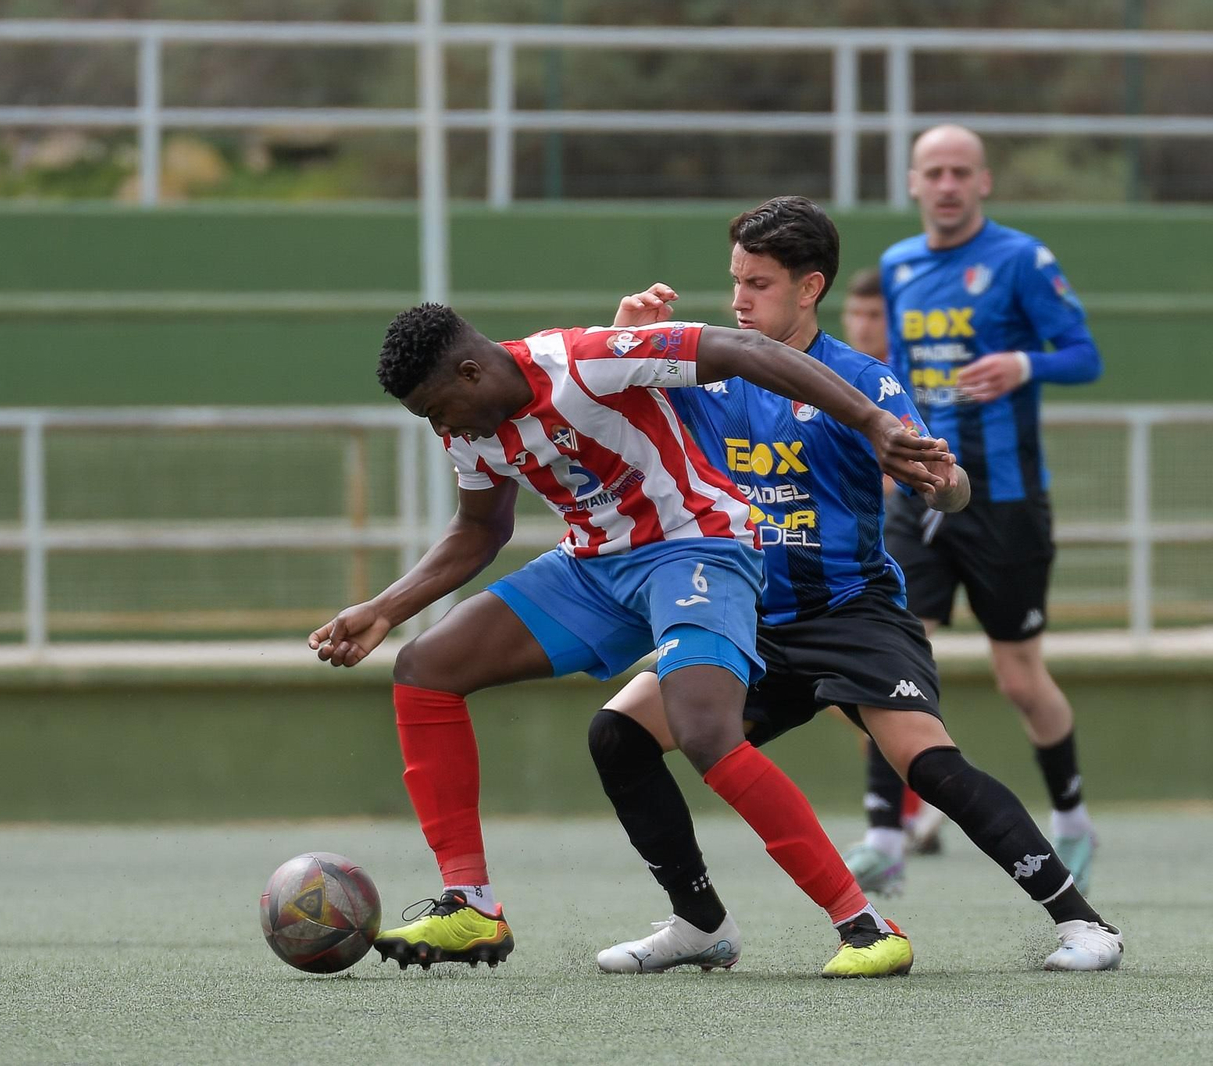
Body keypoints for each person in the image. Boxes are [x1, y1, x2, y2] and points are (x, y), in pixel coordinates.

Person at [310, 301, 952, 977]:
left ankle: (866, 926)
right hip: (593, 567)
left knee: (703, 730)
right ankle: (471, 907)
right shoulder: (469, 429)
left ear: (471, 373)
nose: (442, 428)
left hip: (695, 547)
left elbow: (740, 348)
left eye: (439, 410)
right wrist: (384, 608)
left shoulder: (585, 362)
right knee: (425, 666)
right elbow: (479, 530)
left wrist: (877, 422)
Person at [586, 196, 1122, 977]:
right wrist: (619, 327)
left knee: (931, 767)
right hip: (747, 618)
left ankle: (1085, 924)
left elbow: (946, 483)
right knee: (617, 735)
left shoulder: (861, 383)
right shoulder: (704, 368)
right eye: (735, 279)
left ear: (809, 288)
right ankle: (699, 923)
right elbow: (601, 390)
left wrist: (946, 485)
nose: (738, 299)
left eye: (759, 284)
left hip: (851, 613)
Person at [849, 124, 1105, 897]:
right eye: (935, 172)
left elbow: (1085, 354)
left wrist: (1026, 362)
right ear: (914, 182)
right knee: (888, 659)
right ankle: (884, 837)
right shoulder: (897, 264)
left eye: (962, 171)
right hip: (921, 492)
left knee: (1019, 677)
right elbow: (899, 371)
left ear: (984, 182)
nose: (949, 184)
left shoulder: (1022, 260)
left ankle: (1071, 819)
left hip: (1006, 500)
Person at [843, 264, 948, 855]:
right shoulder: (821, 371)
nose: (864, 325)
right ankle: (923, 791)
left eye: (876, 314)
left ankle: (901, 812)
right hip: (831, 560)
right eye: (856, 313)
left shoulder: (900, 382)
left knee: (879, 686)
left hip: (903, 547)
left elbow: (924, 470)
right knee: (850, 695)